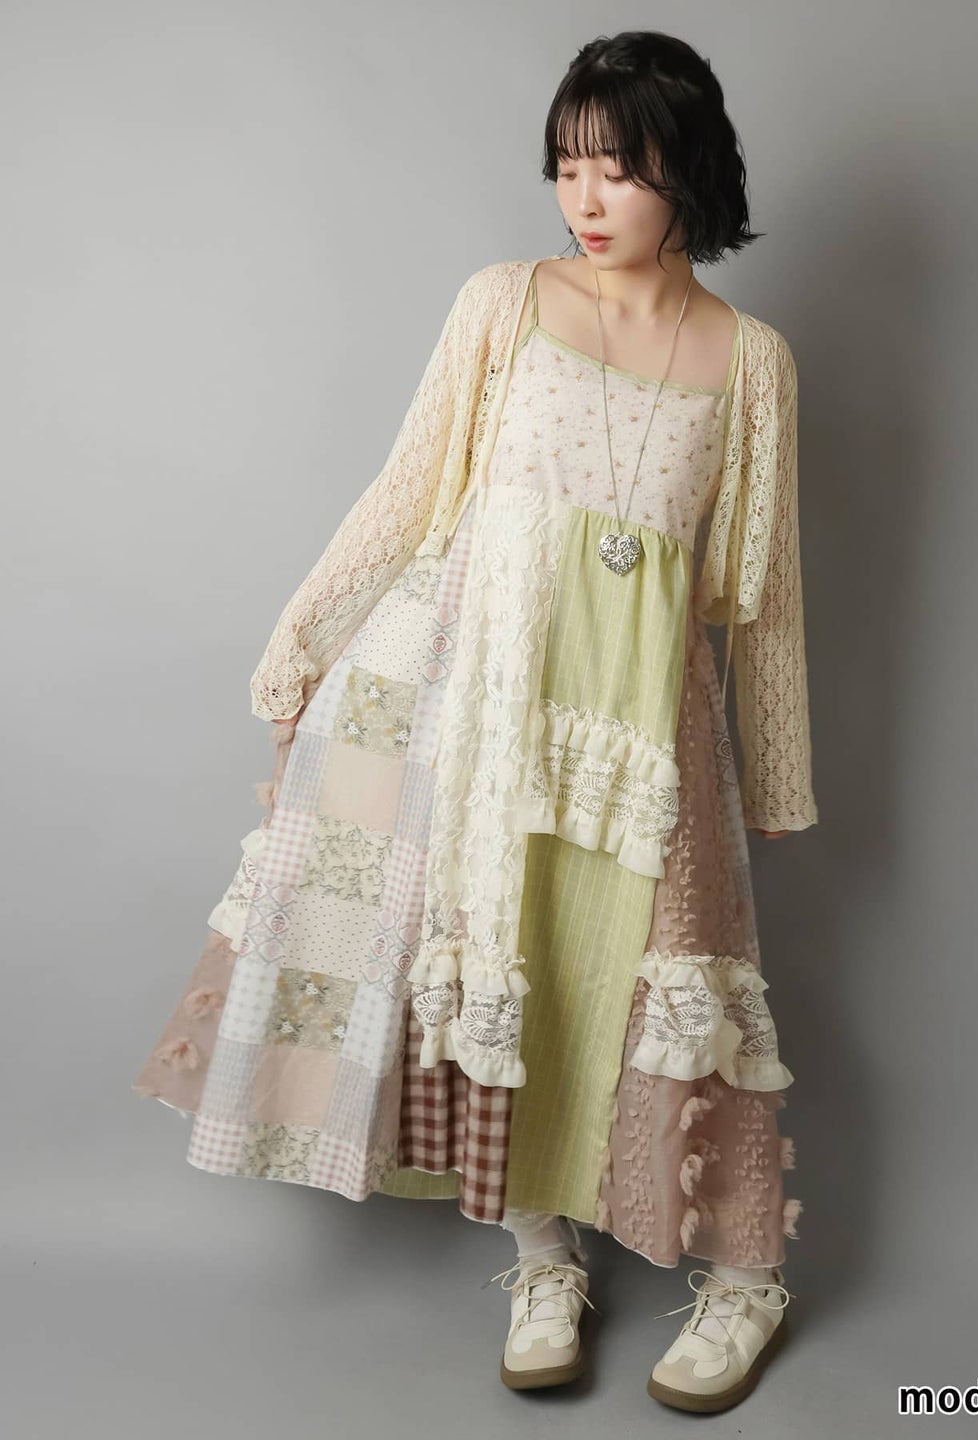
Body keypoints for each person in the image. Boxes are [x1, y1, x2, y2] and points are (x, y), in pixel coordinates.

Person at [132, 29, 818, 1416]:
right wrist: (298, 646)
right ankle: (542, 1257)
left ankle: (746, 1280)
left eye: (618, 166)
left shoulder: (752, 362)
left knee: (674, 983)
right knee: (510, 967)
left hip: (643, 730)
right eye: (567, 165)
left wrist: (777, 779)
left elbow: (761, 597)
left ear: (686, 168)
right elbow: (408, 494)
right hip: (486, 704)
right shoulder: (505, 304)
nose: (585, 197)